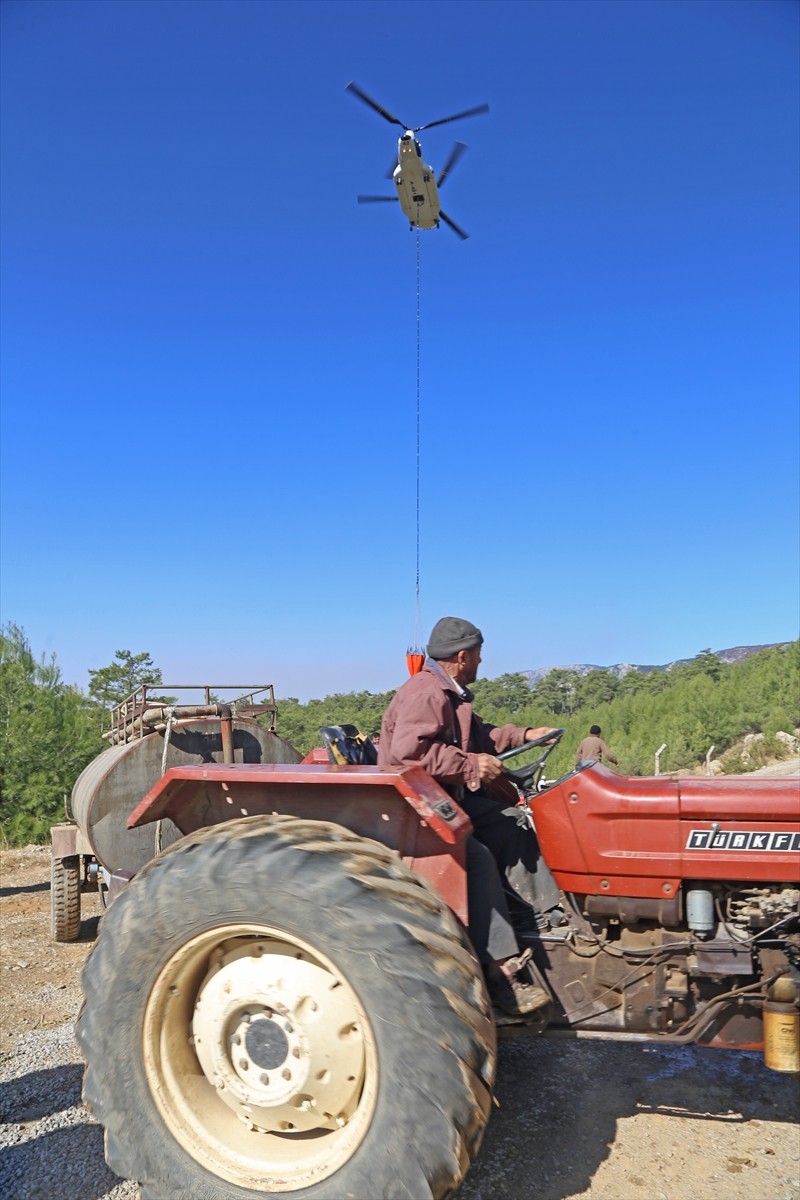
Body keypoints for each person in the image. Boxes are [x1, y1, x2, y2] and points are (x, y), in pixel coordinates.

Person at [379, 616, 564, 938]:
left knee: (512, 821)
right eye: (479, 653)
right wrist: (472, 766)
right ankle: (500, 962)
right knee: (477, 858)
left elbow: (482, 735)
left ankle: (543, 915)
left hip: (444, 798)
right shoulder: (426, 693)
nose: (481, 660)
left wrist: (527, 735)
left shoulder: (451, 693)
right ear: (463, 656)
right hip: (418, 806)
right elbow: (409, 752)